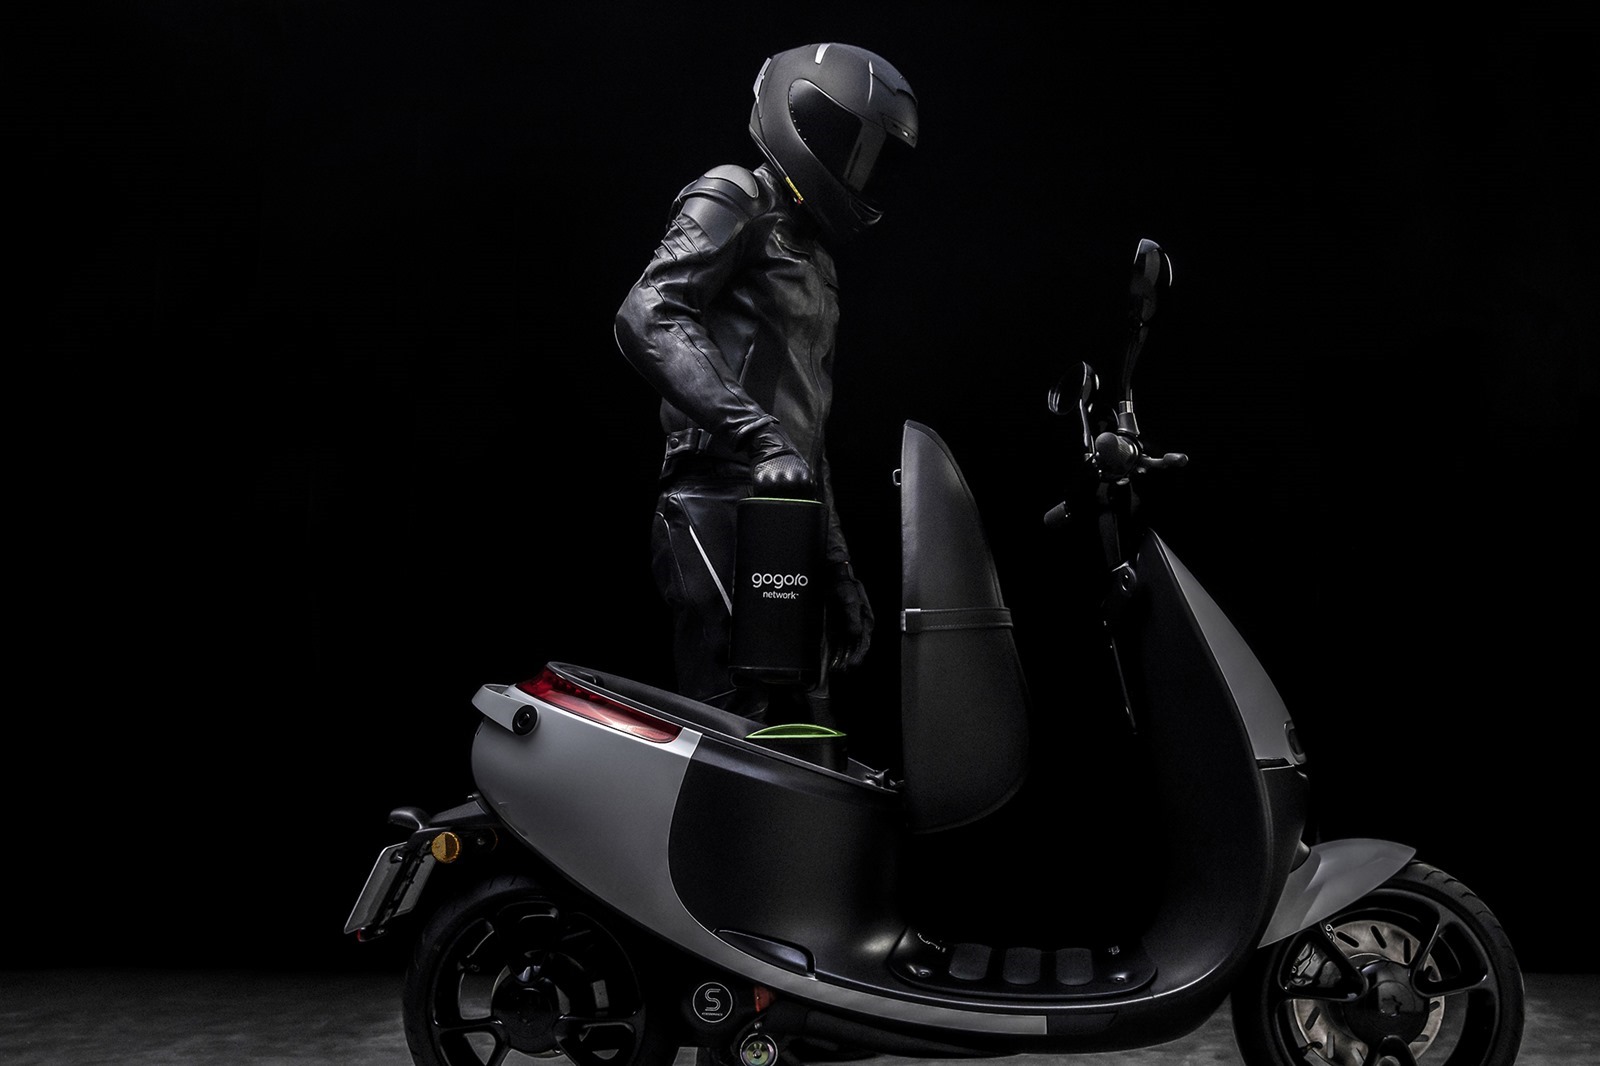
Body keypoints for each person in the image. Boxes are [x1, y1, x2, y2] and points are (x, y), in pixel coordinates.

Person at [614, 42, 918, 727]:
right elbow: (647, 311)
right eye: (855, 148)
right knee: (738, 722)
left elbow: (805, 428)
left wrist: (835, 564)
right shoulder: (737, 194)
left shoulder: (816, 263)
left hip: (786, 514)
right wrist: (760, 441)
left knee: (804, 730)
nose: (862, 170)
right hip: (717, 501)